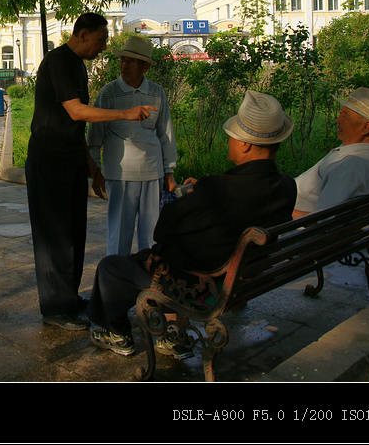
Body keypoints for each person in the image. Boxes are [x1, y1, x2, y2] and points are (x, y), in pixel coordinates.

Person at [86, 90, 297, 357]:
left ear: (244, 145)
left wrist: (196, 198)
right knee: (169, 257)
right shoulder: (287, 187)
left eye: (232, 137)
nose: (229, 141)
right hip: (243, 280)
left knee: (112, 267)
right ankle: (170, 332)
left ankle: (116, 333)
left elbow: (163, 230)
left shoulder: (217, 189)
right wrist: (202, 199)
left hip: (205, 291)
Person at [25, 12, 158, 331]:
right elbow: (77, 111)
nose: (102, 48)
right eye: (100, 40)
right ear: (82, 34)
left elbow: (73, 125)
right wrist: (126, 113)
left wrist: (91, 166)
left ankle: (69, 299)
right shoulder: (58, 62)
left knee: (74, 234)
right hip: (49, 160)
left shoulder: (77, 67)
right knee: (54, 236)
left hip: (70, 158)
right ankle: (56, 309)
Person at [87, 35, 177, 256]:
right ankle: (117, 282)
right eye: (123, 60)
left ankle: (147, 282)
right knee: (119, 236)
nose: (124, 65)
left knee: (151, 237)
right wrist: (96, 170)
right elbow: (95, 136)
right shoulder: (109, 93)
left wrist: (169, 172)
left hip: (151, 172)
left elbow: (165, 133)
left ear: (144, 67)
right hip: (120, 174)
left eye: (130, 61)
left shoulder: (156, 93)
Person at [291, 87, 369, 218]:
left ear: (366, 127)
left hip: (295, 230)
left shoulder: (352, 165)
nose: (338, 120)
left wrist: (280, 211)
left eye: (345, 116)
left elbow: (324, 221)